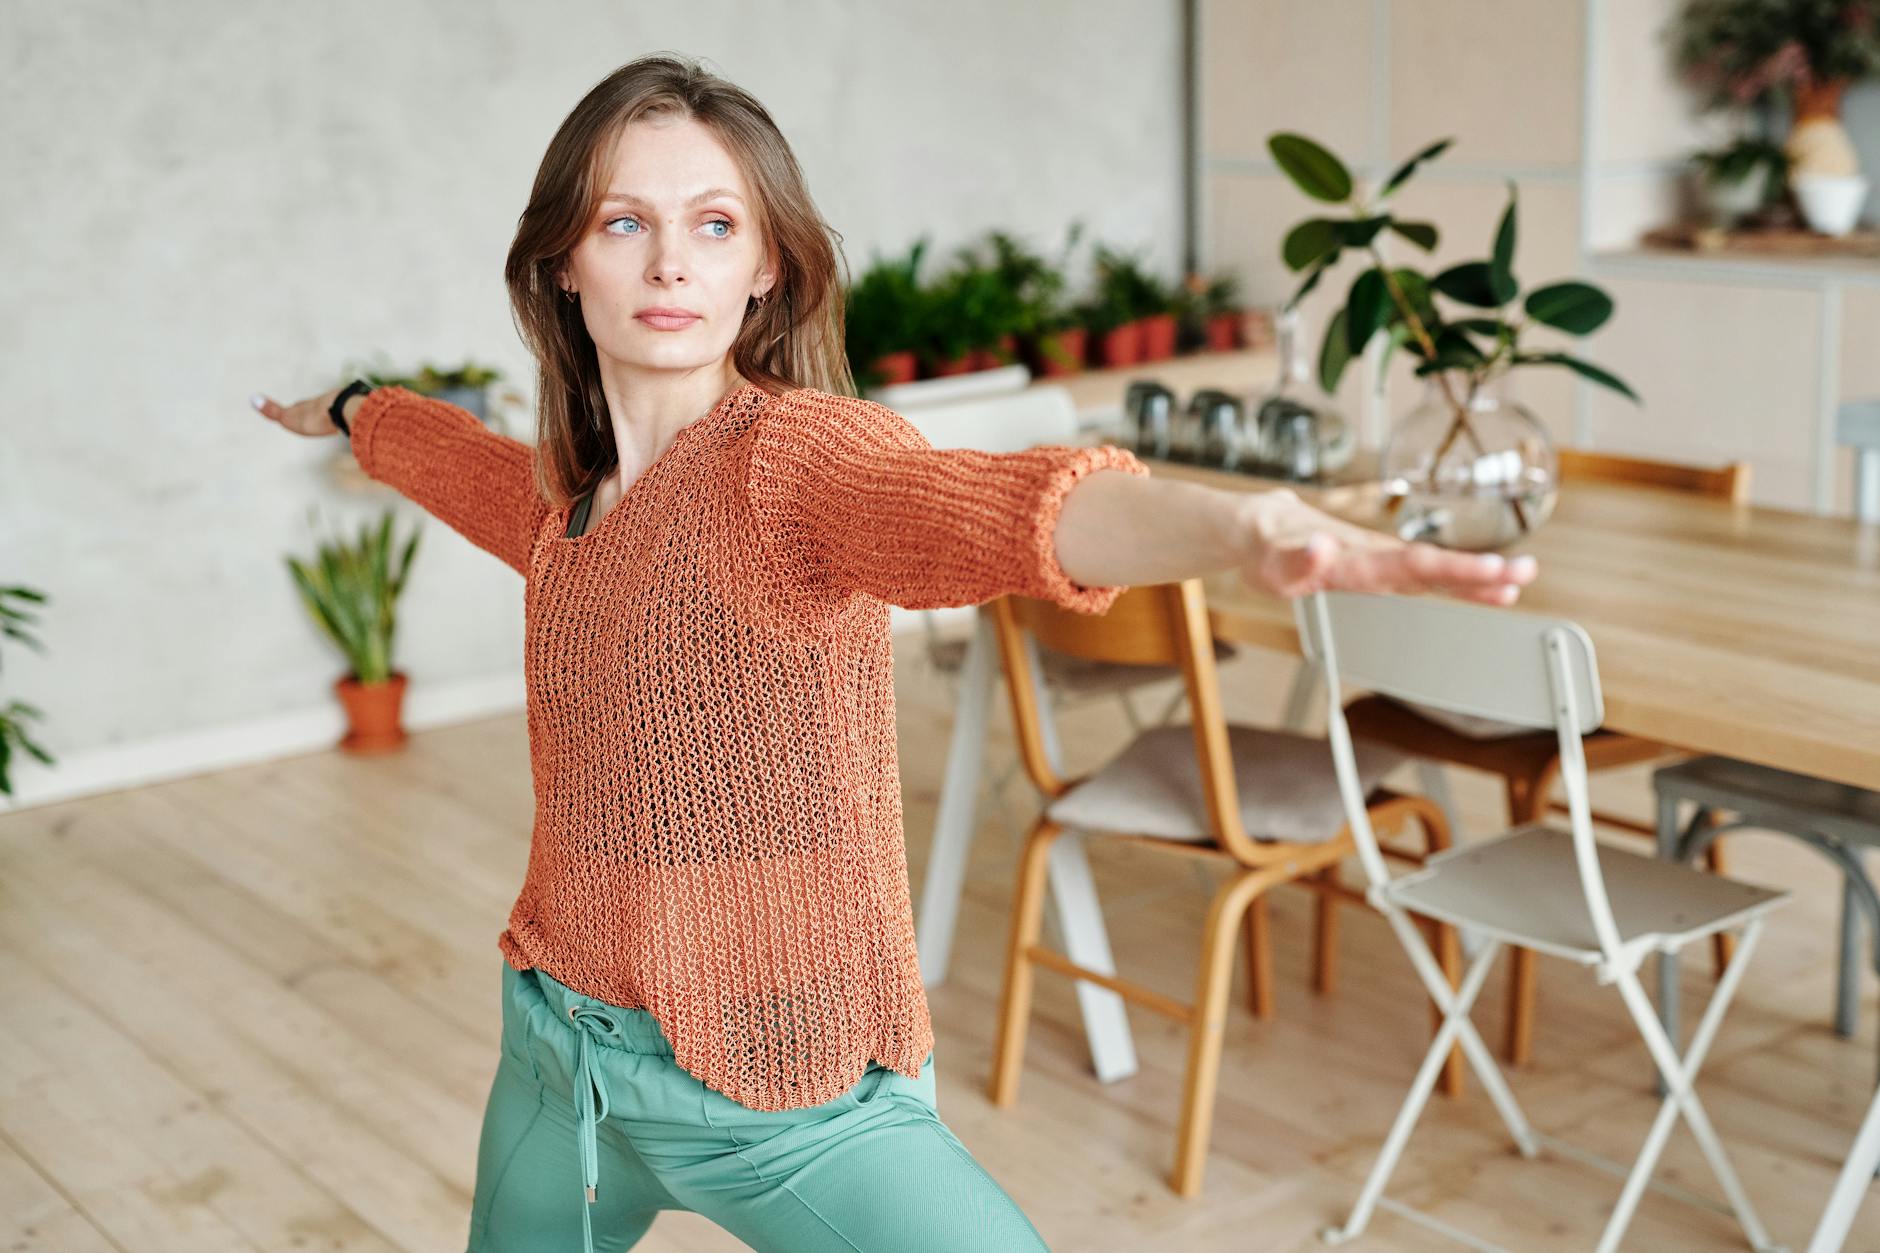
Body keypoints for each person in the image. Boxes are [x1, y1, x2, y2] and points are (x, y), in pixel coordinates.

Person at [250, 52, 1536, 1253]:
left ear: (763, 268)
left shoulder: (790, 461)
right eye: (622, 221)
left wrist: (1235, 525)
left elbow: (997, 506)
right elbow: (440, 453)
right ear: (562, 265)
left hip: (782, 1080)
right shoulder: (561, 502)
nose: (669, 263)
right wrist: (355, 407)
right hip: (559, 1055)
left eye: (713, 224)